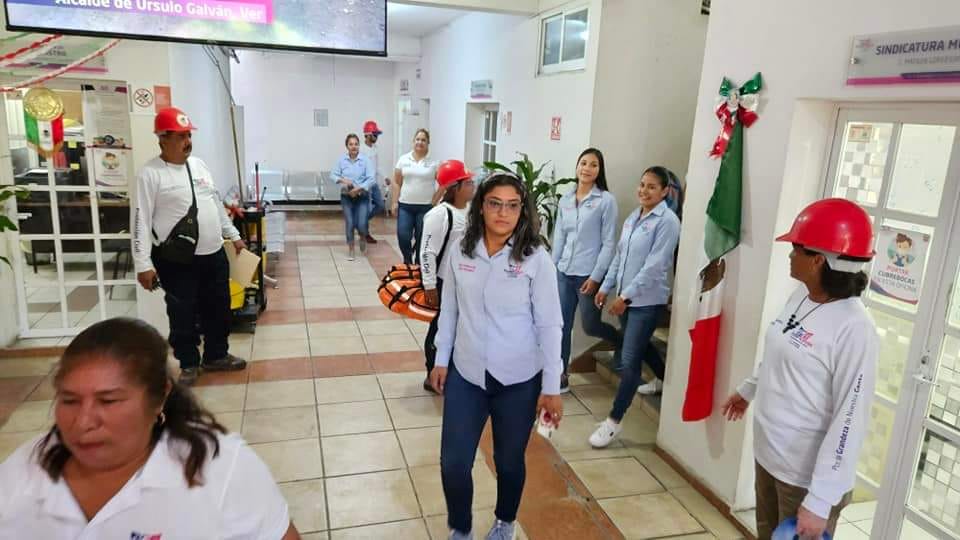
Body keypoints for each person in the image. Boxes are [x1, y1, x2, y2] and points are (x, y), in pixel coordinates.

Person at [0, 317, 300, 539]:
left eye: (108, 401)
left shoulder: (220, 469)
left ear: (160, 397)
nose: (83, 422)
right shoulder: (21, 474)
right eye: (69, 400)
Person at [721, 198, 878, 540]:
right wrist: (749, 389)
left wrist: (820, 500)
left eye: (796, 248)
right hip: (770, 456)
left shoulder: (855, 328)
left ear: (819, 260)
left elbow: (850, 418)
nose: (790, 255)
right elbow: (778, 351)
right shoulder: (802, 296)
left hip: (805, 479)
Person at [430, 174, 564, 540]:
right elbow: (450, 310)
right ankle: (461, 528)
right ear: (481, 207)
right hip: (467, 373)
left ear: (522, 211)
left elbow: (550, 325)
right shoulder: (461, 250)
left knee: (508, 461)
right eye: (494, 203)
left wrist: (551, 387)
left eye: (512, 205)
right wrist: (441, 359)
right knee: (454, 463)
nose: (503, 213)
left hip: (518, 379)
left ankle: (505, 521)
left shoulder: (536, 258)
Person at [133, 107, 247, 386]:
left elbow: (214, 203)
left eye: (188, 135)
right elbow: (140, 220)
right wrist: (143, 263)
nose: (187, 141)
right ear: (162, 139)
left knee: (218, 308)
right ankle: (189, 362)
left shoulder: (199, 165)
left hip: (213, 253)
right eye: (180, 136)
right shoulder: (150, 174)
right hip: (177, 260)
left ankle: (216, 355)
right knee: (182, 312)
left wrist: (233, 234)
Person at [588, 166, 680, 448]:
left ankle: (614, 421)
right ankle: (662, 378)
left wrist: (625, 297)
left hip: (646, 301)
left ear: (665, 191)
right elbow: (620, 256)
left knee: (629, 362)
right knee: (640, 345)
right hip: (626, 297)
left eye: (652, 187)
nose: (644, 191)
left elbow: (655, 266)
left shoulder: (668, 221)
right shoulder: (634, 216)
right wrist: (605, 286)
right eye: (642, 185)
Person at [552, 148, 620, 393]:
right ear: (577, 166)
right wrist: (552, 268)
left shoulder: (606, 201)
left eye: (593, 165)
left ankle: (620, 341)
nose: (587, 168)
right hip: (563, 272)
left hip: (587, 275)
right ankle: (560, 375)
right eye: (583, 163)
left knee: (590, 325)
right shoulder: (566, 199)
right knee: (561, 325)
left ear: (599, 171)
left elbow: (609, 242)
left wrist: (596, 277)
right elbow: (559, 236)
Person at [420, 159, 476, 394]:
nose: (473, 186)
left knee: (458, 327)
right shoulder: (439, 215)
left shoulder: (470, 212)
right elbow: (427, 252)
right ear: (455, 187)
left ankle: (451, 372)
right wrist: (430, 285)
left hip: (465, 282)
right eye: (468, 182)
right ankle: (431, 373)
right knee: (439, 328)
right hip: (443, 282)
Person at [393, 129, 439, 264]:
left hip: (425, 208)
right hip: (405, 206)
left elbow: (444, 184)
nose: (420, 142)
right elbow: (396, 182)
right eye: (418, 139)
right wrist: (394, 202)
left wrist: (434, 201)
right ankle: (407, 260)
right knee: (403, 235)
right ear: (413, 141)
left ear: (428, 143)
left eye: (423, 140)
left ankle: (419, 264)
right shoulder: (403, 159)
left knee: (422, 238)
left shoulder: (434, 162)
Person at [332, 133, 375, 261]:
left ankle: (362, 236)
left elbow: (371, 178)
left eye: (356, 144)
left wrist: (359, 188)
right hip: (346, 197)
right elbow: (333, 175)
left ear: (359, 145)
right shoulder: (341, 160)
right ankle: (351, 248)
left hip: (362, 196)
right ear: (347, 146)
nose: (354, 146)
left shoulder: (365, 160)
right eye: (351, 144)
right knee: (350, 223)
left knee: (361, 224)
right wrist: (343, 180)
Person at [362, 120, 386, 244]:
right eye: (375, 134)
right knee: (366, 209)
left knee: (380, 205)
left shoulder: (375, 148)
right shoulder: (361, 150)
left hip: (374, 183)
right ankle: (365, 234)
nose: (377, 137)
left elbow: (377, 166)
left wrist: (385, 177)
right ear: (368, 134)